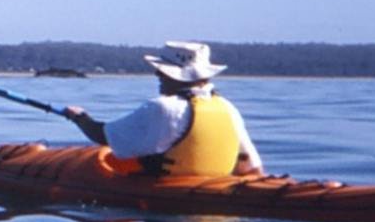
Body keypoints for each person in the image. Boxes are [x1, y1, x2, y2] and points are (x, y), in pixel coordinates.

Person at [63, 41, 264, 176]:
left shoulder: (163, 108)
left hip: (173, 202)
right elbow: (252, 167)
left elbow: (104, 137)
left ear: (173, 75)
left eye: (161, 72)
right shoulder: (228, 108)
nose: (158, 76)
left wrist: (80, 118)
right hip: (218, 190)